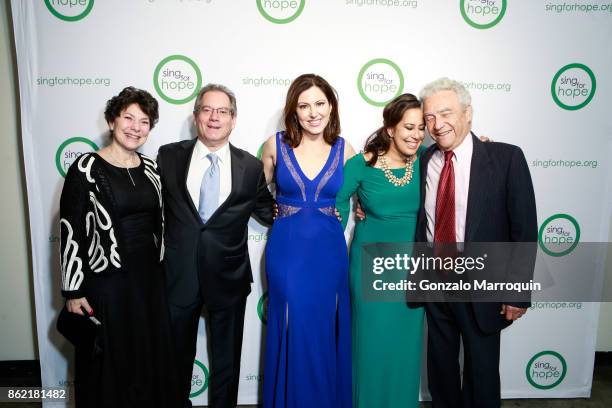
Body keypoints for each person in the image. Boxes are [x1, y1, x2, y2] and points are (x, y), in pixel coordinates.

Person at [417, 78, 537, 407]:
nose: (437, 124)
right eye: (429, 117)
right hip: (435, 284)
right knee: (440, 371)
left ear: (468, 114)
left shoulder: (506, 158)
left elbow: (524, 231)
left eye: (446, 113)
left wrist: (517, 293)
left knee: (481, 375)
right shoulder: (426, 161)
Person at [58, 86, 181, 407]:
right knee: (109, 359)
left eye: (144, 122)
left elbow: (161, 223)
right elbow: (70, 230)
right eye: (128, 118)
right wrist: (73, 291)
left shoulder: (151, 168)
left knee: (146, 356)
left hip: (148, 281)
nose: (135, 127)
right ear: (112, 120)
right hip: (106, 281)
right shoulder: (85, 168)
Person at [157, 84, 274, 408]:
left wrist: (315, 210)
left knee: (227, 364)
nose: (214, 117)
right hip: (178, 277)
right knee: (174, 361)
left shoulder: (250, 167)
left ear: (233, 120)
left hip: (229, 277)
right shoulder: (168, 156)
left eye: (222, 111)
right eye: (207, 110)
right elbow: (148, 205)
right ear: (196, 117)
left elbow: (269, 212)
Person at [260, 73, 355, 408]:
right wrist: (271, 207)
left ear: (331, 106)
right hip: (287, 252)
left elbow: (373, 190)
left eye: (320, 103)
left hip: (329, 255)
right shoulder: (276, 145)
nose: (313, 112)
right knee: (292, 326)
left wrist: (366, 214)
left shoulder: (346, 149)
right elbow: (254, 193)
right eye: (304, 105)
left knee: (323, 328)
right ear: (293, 111)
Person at [335, 93, 426, 408]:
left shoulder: (429, 159)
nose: (416, 135)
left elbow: (465, 166)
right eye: (408, 127)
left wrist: (484, 144)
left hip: (413, 271)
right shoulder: (361, 164)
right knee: (371, 345)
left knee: (405, 348)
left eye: (421, 127)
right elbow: (332, 206)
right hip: (371, 268)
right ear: (390, 129)